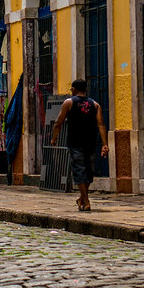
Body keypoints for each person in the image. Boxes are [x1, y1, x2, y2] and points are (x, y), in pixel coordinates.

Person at [50, 79, 109, 212]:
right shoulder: (95, 105)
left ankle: (86, 201)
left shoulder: (69, 103)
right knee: (87, 171)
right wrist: (105, 144)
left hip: (75, 142)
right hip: (90, 142)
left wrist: (54, 138)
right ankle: (82, 199)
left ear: (74, 90)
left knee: (79, 171)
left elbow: (58, 123)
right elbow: (101, 124)